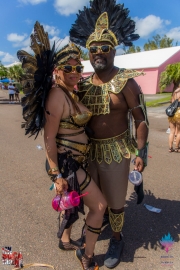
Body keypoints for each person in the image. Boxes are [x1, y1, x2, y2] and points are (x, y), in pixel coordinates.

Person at [17, 21, 106, 270]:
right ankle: (86, 256)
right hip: (66, 163)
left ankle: (65, 240)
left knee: (72, 204)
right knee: (99, 206)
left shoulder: (71, 93)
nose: (75, 71)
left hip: (75, 160)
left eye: (78, 67)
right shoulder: (57, 96)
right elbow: (49, 137)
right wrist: (56, 174)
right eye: (68, 67)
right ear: (57, 71)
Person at [70, 0, 149, 268]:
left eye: (104, 48)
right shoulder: (81, 85)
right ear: (88, 53)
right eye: (93, 49)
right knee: (94, 199)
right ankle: (94, 227)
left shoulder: (126, 81)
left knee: (116, 203)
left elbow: (141, 120)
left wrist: (140, 152)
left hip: (116, 151)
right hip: (89, 152)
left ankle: (117, 238)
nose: (98, 52)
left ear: (114, 50)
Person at [168, 86, 180, 152]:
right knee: (179, 132)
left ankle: (170, 148)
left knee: (171, 132)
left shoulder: (175, 92)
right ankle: (177, 148)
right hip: (179, 112)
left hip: (172, 112)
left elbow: (172, 101)